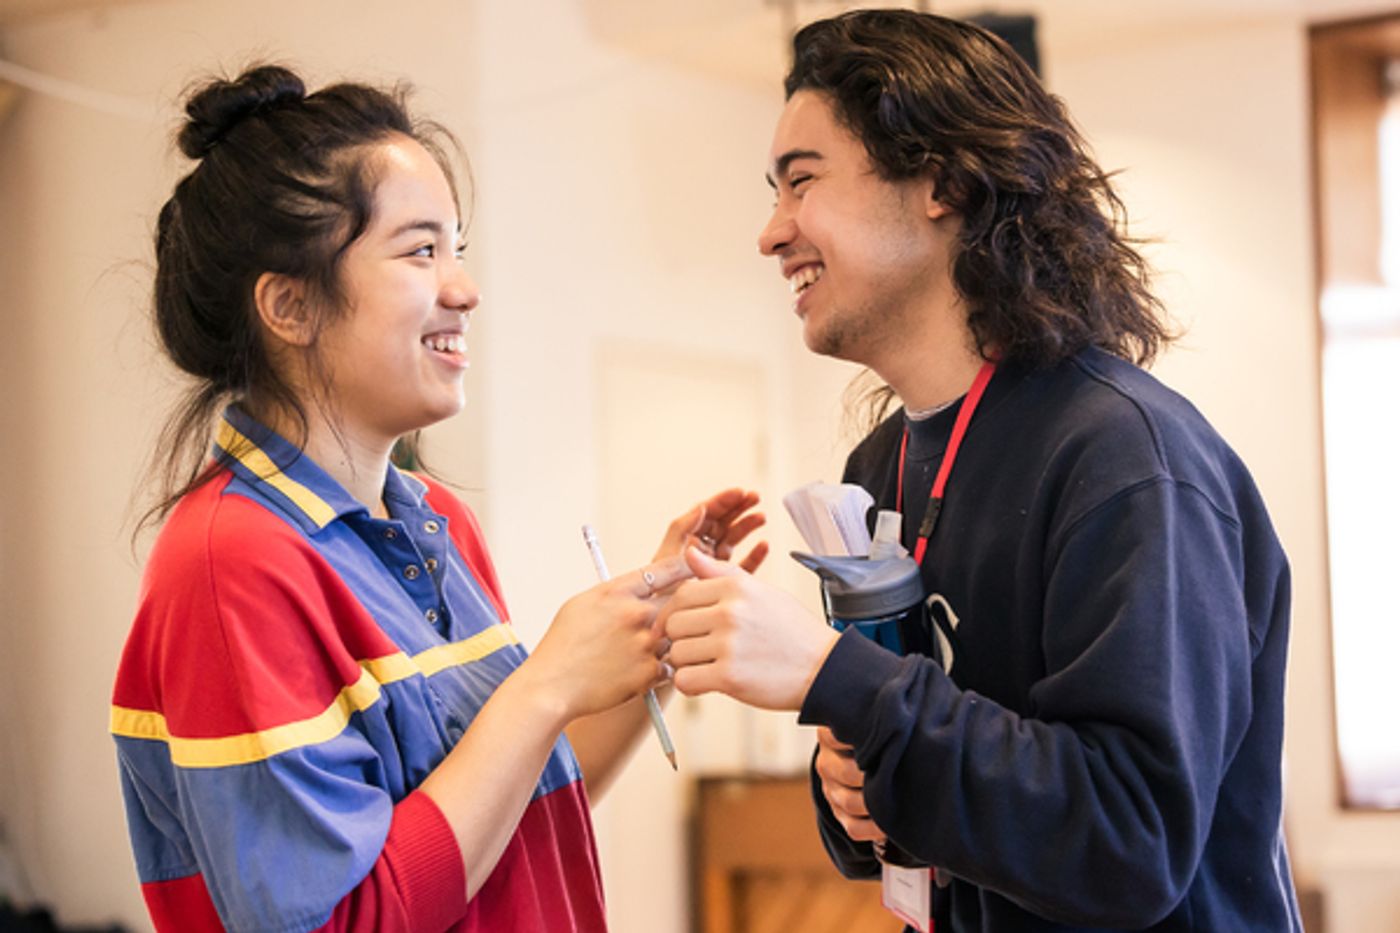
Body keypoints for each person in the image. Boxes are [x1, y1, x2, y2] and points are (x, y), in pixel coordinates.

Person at [659, 9, 1301, 931]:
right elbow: (935, 755)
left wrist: (836, 676)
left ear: (944, 182)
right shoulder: (879, 465)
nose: (772, 232)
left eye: (802, 182)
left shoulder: (1124, 459)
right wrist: (850, 789)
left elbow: (1131, 843)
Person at [110, 64, 764, 932]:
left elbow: (521, 800)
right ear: (290, 304)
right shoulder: (231, 561)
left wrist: (650, 640)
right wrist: (546, 685)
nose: (464, 287)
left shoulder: (437, 519)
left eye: (457, 246)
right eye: (421, 250)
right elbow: (339, 918)